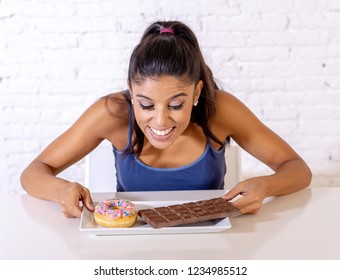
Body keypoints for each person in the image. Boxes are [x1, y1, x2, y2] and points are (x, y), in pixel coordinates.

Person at [20, 20, 312, 218]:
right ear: (132, 91)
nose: (160, 121)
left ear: (196, 91)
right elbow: (33, 173)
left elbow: (298, 170)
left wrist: (264, 186)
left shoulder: (220, 110)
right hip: (131, 247)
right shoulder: (112, 113)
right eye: (146, 105)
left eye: (175, 104)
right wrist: (61, 190)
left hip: (211, 247)